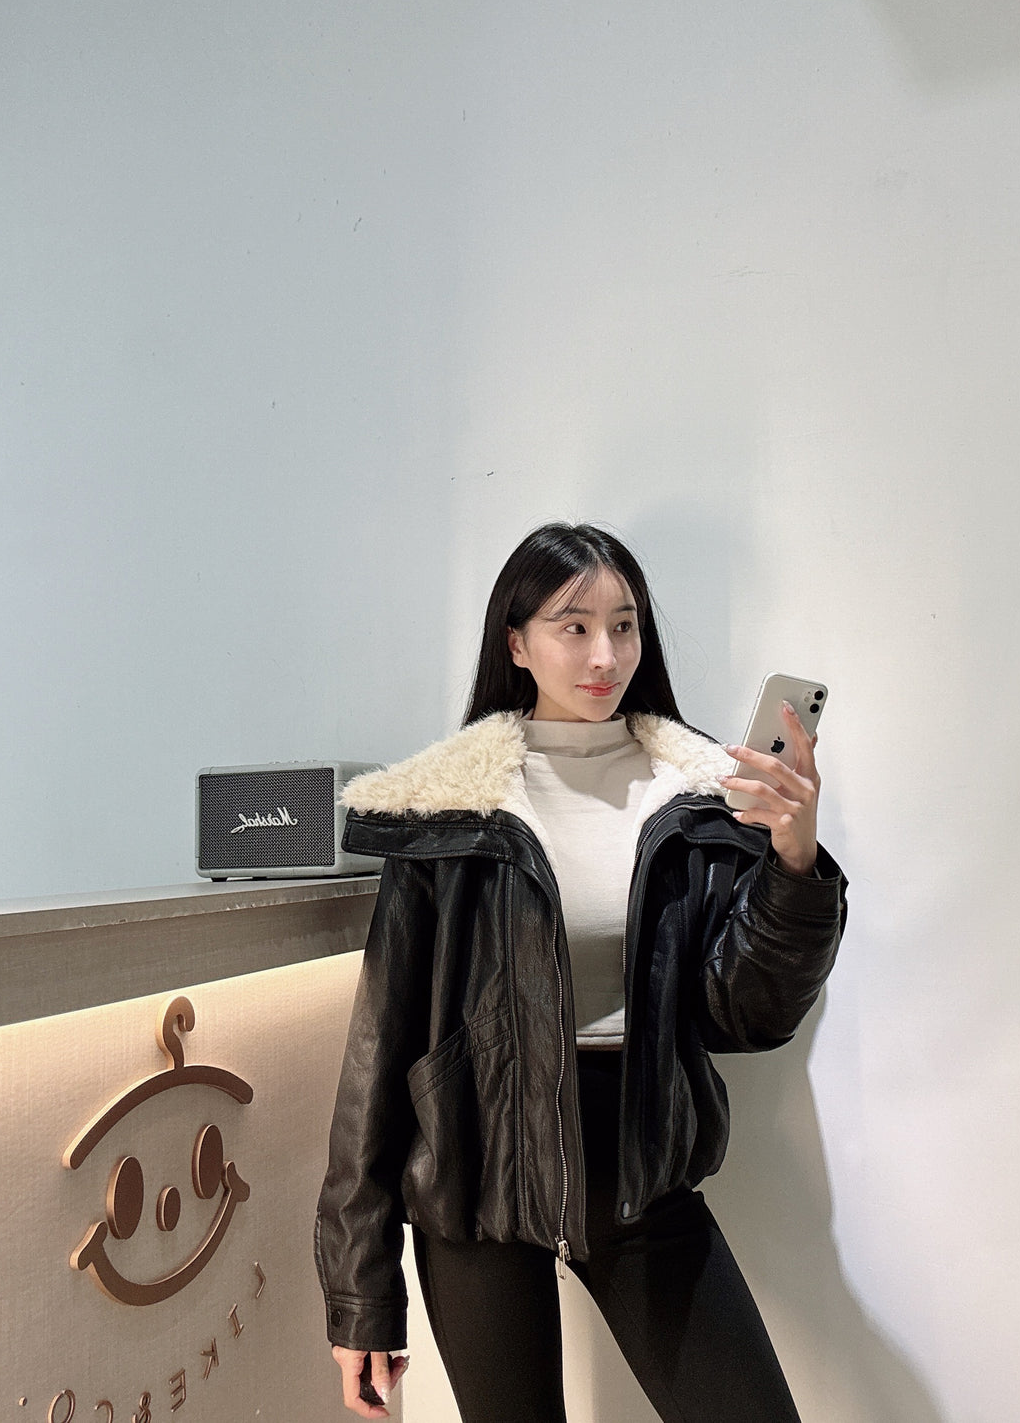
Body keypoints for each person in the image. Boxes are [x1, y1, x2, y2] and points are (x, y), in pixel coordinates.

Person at [314, 522, 847, 1423]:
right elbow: (381, 1047)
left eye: (624, 625)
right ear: (517, 643)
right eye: (575, 626)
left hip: (641, 1165)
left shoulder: (694, 798)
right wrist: (360, 1293)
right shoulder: (451, 808)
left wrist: (792, 864)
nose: (606, 654)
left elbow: (744, 1015)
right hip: (479, 1175)